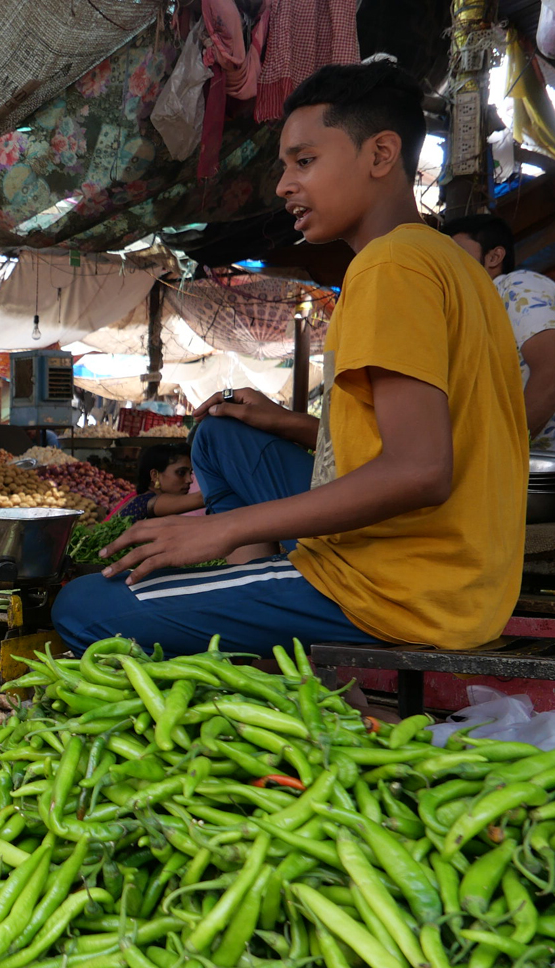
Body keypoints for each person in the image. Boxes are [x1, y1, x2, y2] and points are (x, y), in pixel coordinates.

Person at [53, 60, 527, 657]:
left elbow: (420, 470)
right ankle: (254, 577)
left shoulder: (390, 267)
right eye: (286, 166)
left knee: (83, 608)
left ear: (382, 155)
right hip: (466, 579)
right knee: (220, 438)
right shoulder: (448, 262)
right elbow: (420, 438)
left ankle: (263, 607)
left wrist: (223, 529)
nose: (283, 185)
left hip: (399, 589)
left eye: (305, 161)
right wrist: (285, 423)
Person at [443, 213, 555, 450]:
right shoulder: (478, 311)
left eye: (456, 251)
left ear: (494, 256)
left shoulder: (514, 285)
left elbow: (552, 368)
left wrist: (506, 451)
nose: (447, 262)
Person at [110, 444, 204, 521]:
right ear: (155, 475)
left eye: (190, 473)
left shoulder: (142, 499)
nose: (189, 480)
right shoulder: (149, 502)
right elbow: (201, 498)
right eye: (181, 473)